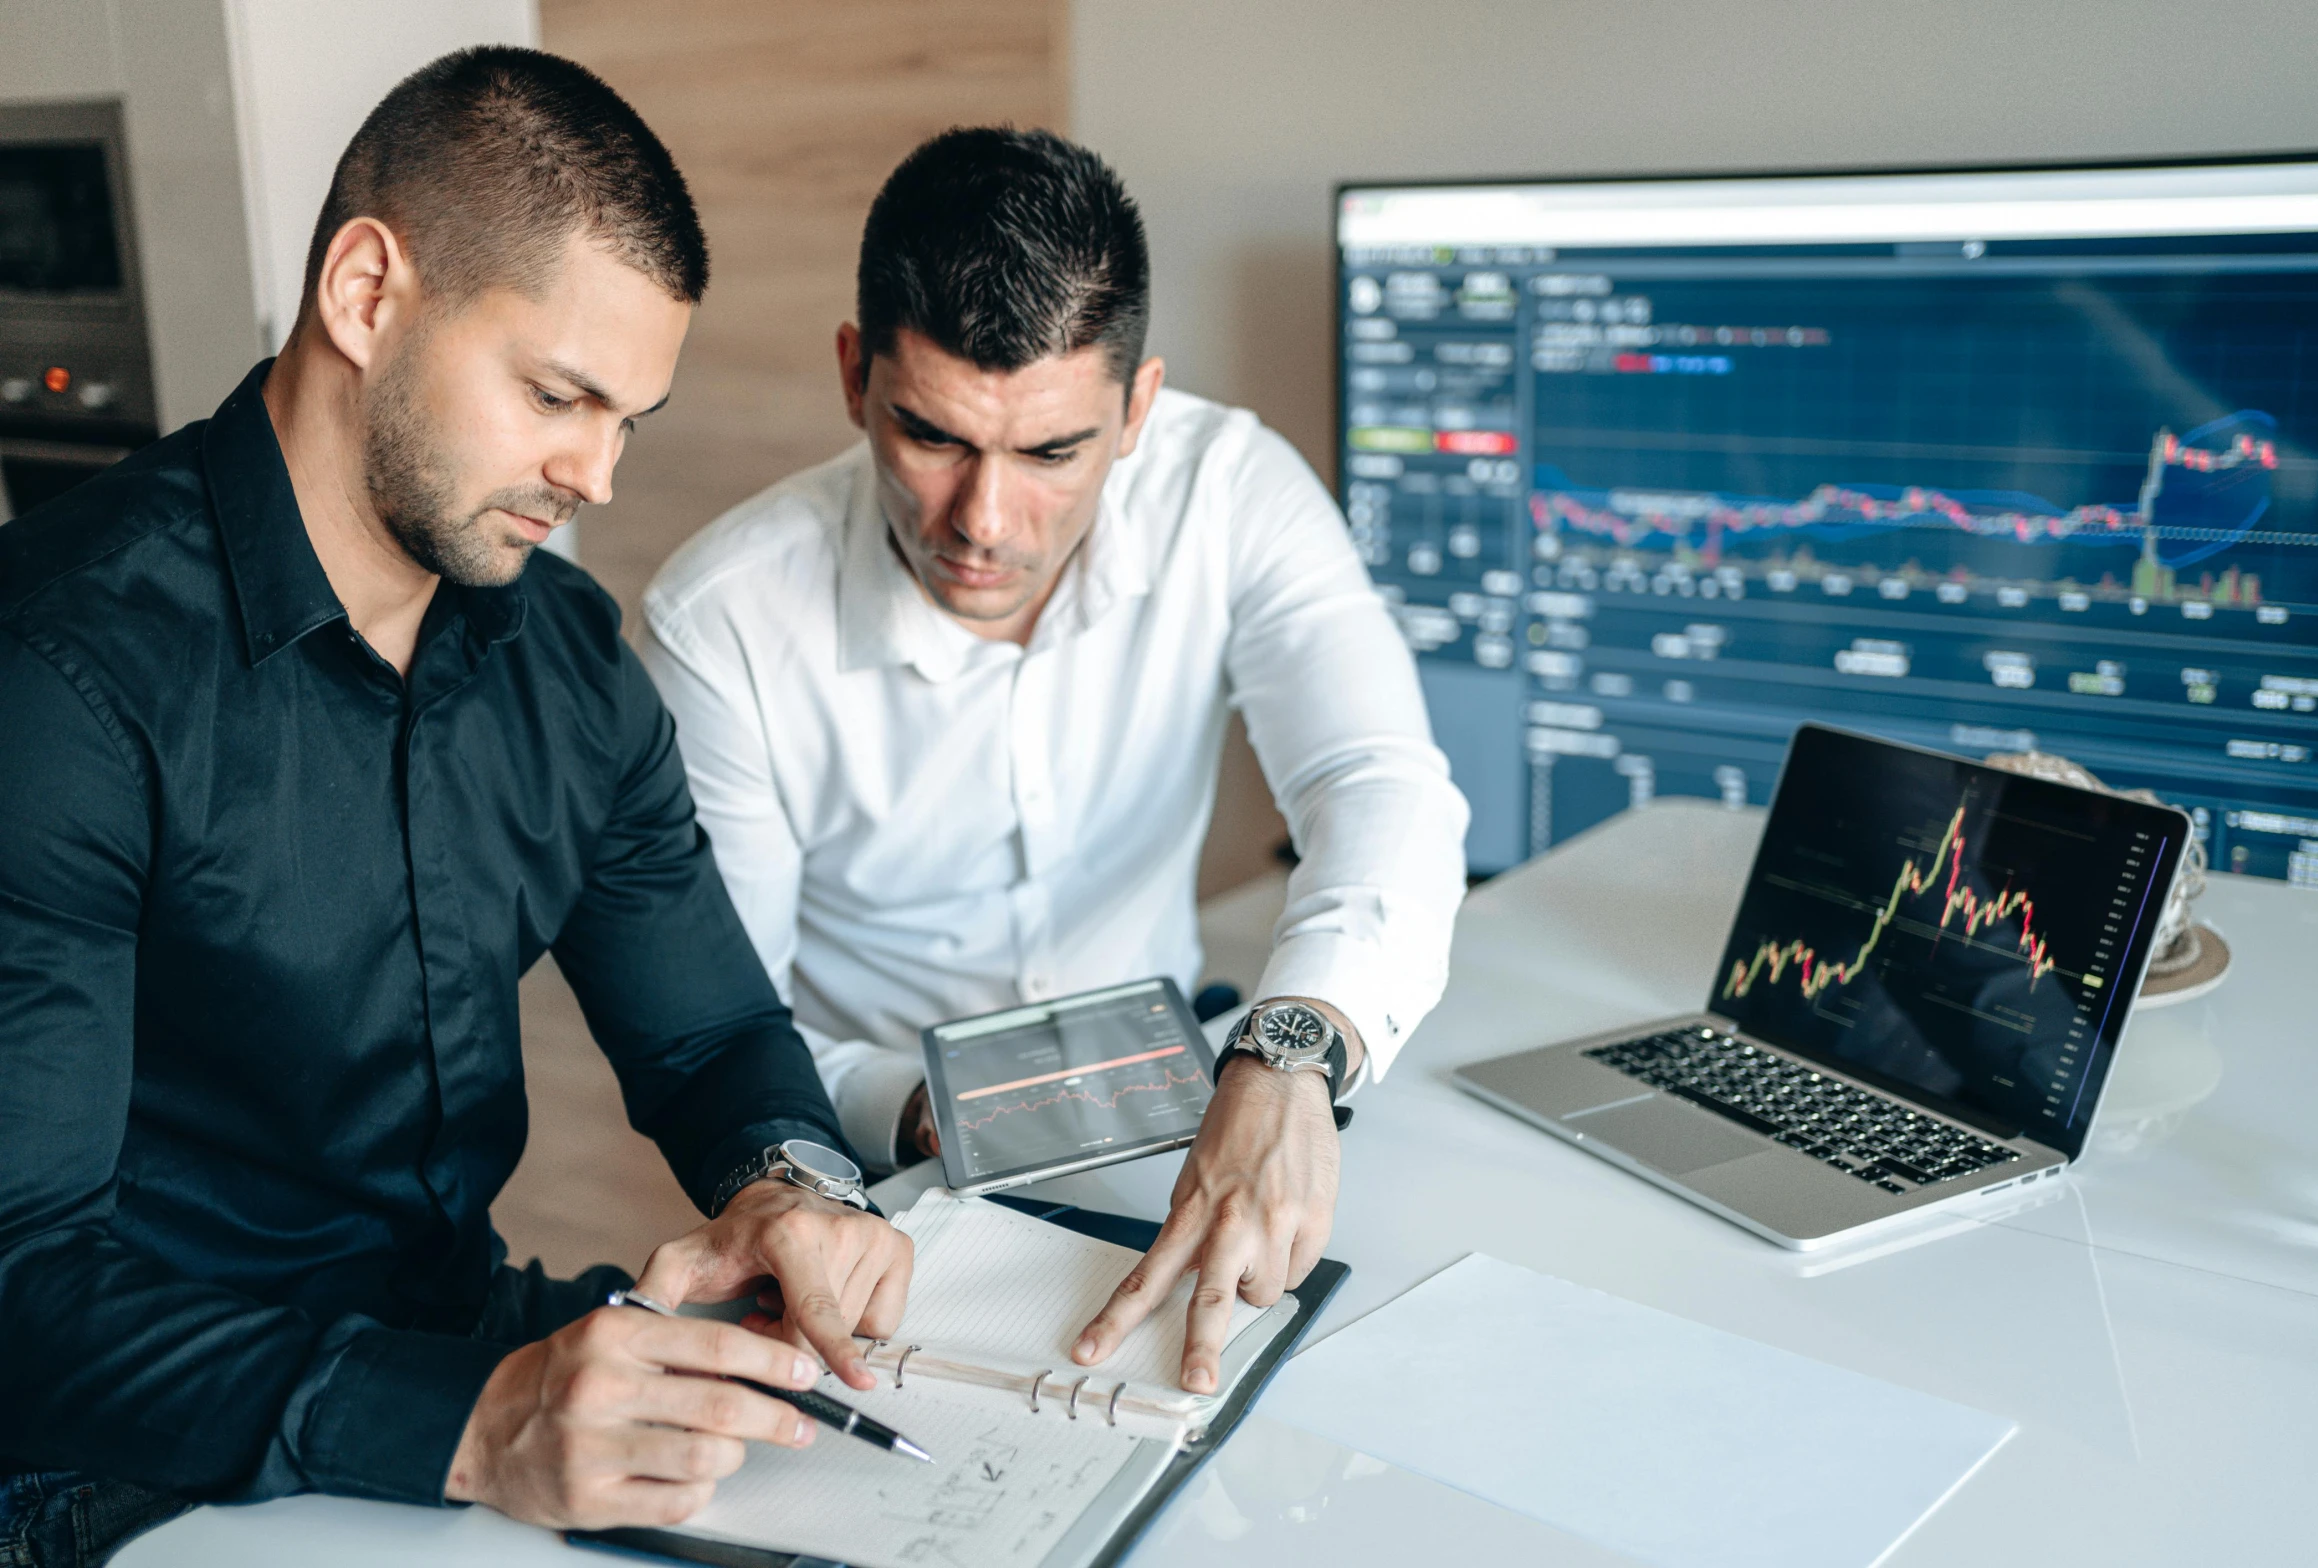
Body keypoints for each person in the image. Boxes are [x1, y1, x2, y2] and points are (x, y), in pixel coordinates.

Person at [0, 48, 911, 1564]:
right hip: (121, 1460)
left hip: (451, 1340)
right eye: (559, 395)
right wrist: (483, 1424)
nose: (598, 475)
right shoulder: (57, 677)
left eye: (631, 418)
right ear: (367, 293)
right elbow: (19, 1280)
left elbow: (708, 1035)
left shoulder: (564, 662)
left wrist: (787, 1186)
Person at [642, 128, 1469, 1400]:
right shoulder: (721, 621)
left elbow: (1380, 782)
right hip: (885, 1180)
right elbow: (721, 1024)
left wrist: (1291, 1048)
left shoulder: (1229, 488)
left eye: (1050, 453)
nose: (982, 520)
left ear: (1136, 407)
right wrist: (923, 1110)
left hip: (1202, 1118)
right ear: (856, 375)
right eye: (932, 436)